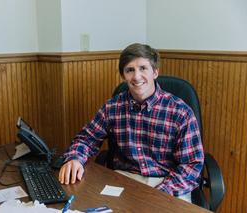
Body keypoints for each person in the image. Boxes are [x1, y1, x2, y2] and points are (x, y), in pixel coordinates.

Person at [58, 43, 204, 202]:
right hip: (125, 180)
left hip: (168, 181)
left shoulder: (180, 111)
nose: (136, 76)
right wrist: (75, 158)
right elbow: (87, 139)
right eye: (130, 70)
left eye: (143, 68)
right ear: (123, 75)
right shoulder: (112, 107)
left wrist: (162, 191)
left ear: (155, 72)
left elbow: (192, 165)